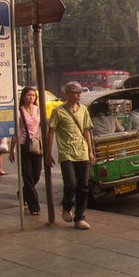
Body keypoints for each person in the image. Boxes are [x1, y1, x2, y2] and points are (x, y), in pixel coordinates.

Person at [46, 81, 95, 229]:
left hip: (82, 152)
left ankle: (79, 217)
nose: (78, 95)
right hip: (66, 153)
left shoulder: (84, 110)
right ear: (66, 94)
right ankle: (67, 207)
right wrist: (47, 154)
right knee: (70, 184)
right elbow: (51, 132)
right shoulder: (58, 111)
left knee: (84, 186)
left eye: (80, 92)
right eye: (75, 92)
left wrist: (90, 151)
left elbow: (87, 131)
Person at [9, 86, 43, 215]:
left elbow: (42, 126)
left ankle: (22, 192)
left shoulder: (38, 110)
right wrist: (12, 150)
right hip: (24, 146)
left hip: (36, 145)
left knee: (36, 174)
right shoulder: (19, 111)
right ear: (23, 96)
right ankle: (34, 207)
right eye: (29, 95)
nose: (31, 97)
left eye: (33, 95)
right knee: (27, 176)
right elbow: (16, 132)